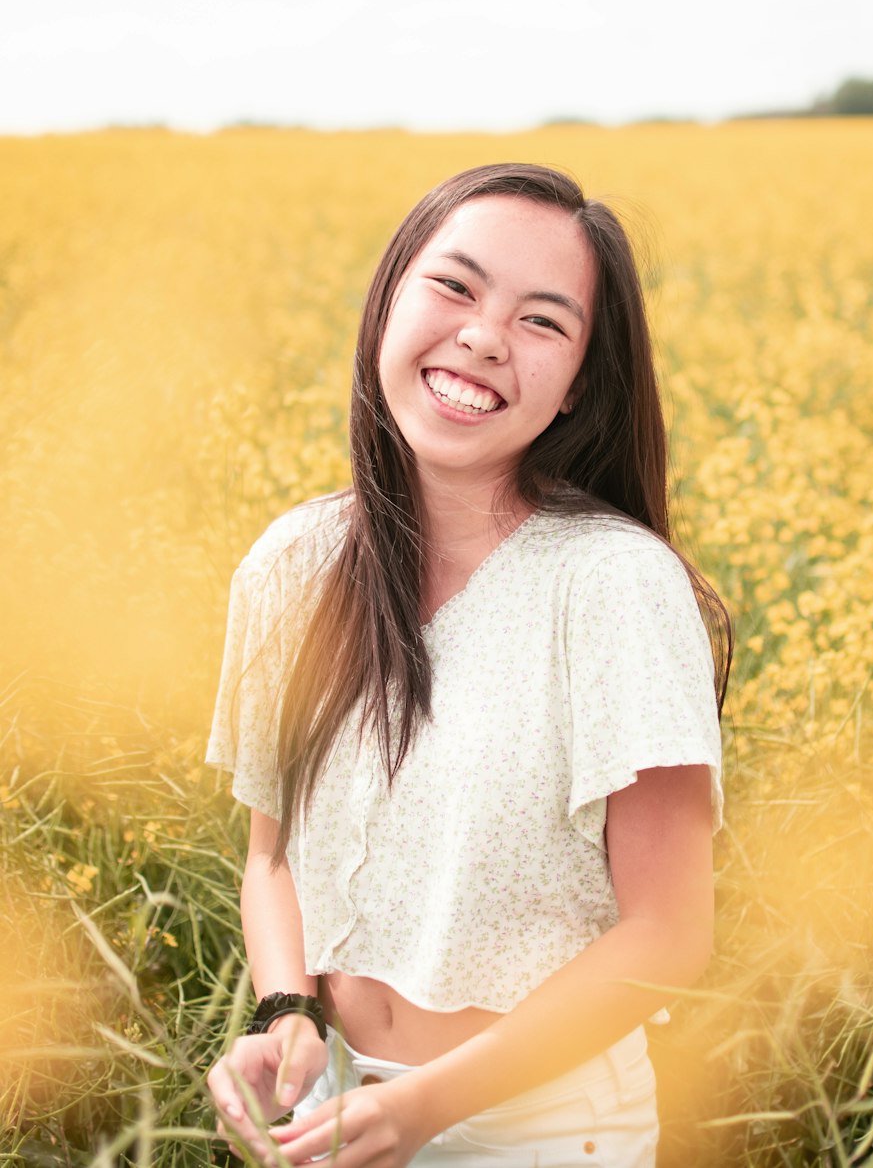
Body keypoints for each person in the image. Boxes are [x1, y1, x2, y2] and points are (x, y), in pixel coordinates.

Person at [205, 162, 731, 1167]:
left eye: (543, 321)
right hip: (342, 1110)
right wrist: (284, 1017)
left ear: (580, 382)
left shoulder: (612, 584)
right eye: (454, 286)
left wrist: (429, 1108)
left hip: (541, 1123)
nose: (484, 335)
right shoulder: (292, 565)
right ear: (388, 297)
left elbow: (668, 934)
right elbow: (273, 856)